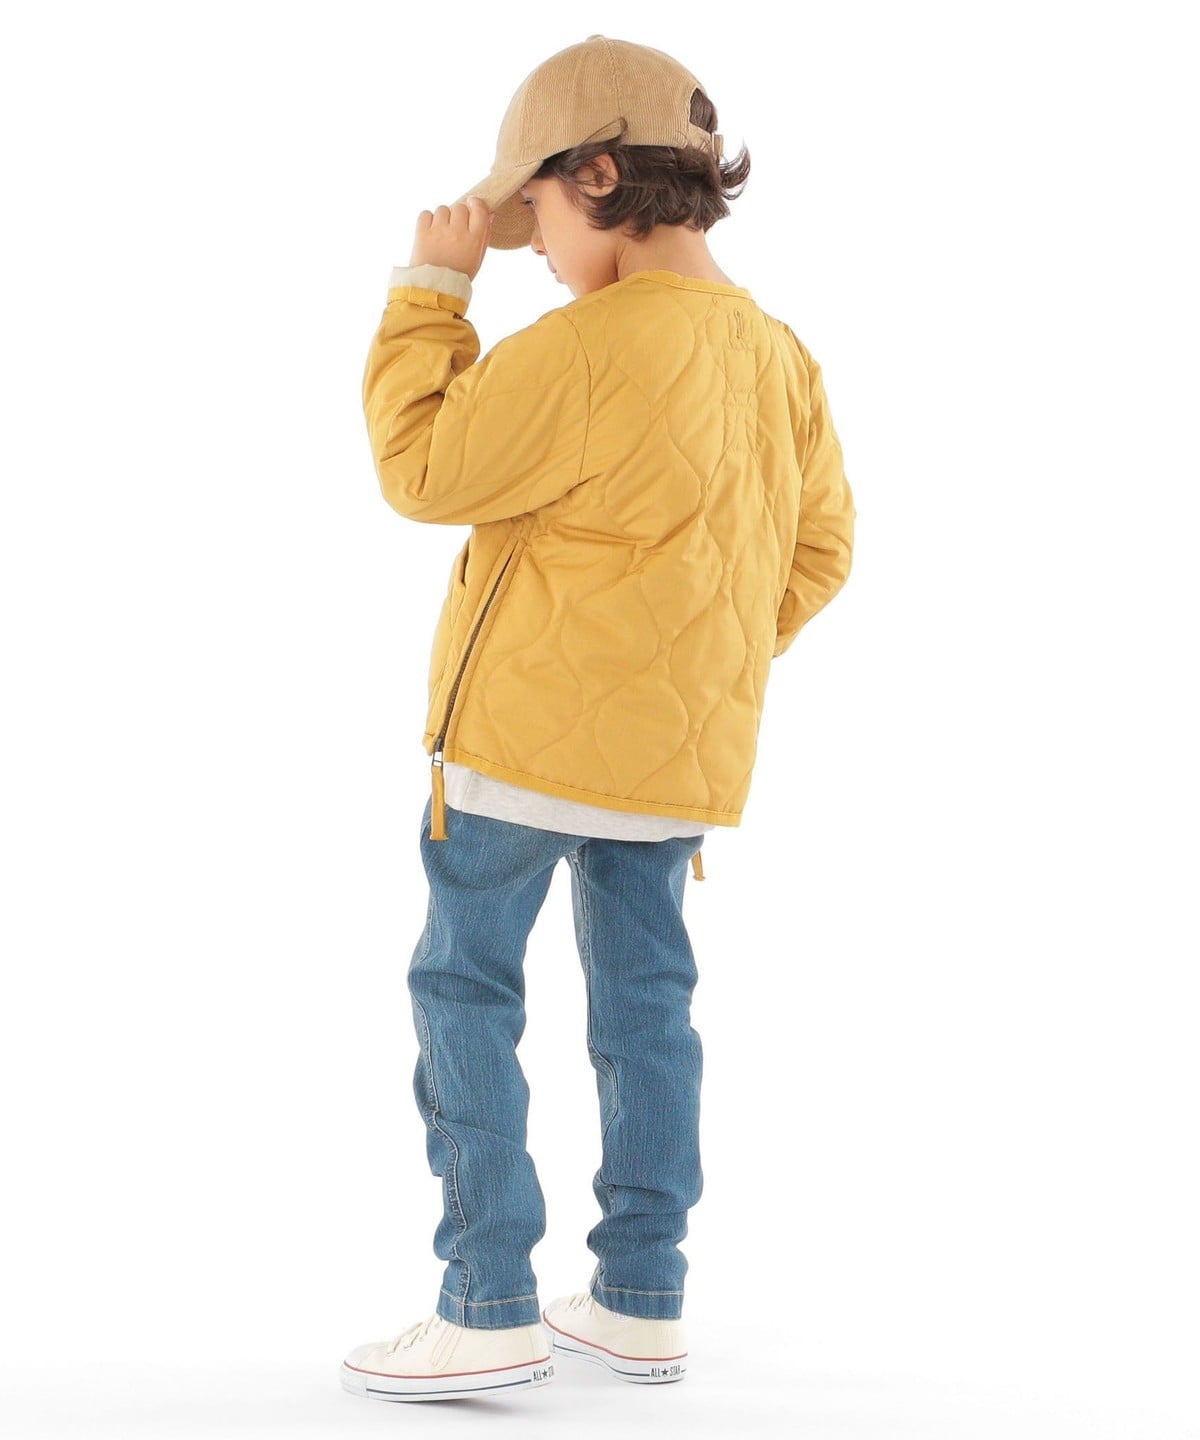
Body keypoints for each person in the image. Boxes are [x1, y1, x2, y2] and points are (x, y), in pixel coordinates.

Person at [342, 34, 855, 1404]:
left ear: (601, 177)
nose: (538, 256)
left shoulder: (580, 348)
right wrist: (702, 656)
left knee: (464, 992)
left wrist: (432, 290)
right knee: (647, 1011)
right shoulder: (781, 359)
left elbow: (421, 469)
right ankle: (640, 1294)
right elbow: (820, 550)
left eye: (539, 218)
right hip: (671, 765)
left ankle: (486, 1302)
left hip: (519, 753)